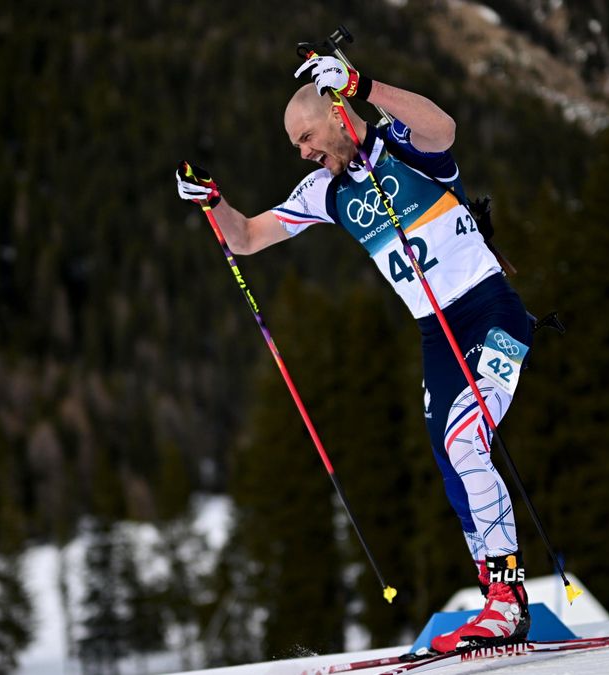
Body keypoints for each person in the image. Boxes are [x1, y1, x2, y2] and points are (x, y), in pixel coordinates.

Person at [176, 56, 534, 653]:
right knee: (452, 463)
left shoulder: (402, 143)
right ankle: (493, 590)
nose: (303, 153)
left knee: (467, 441)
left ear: (336, 118)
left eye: (306, 137)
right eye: (295, 145)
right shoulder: (326, 190)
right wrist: (212, 201)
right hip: (435, 334)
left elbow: (442, 128)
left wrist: (361, 86)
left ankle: (508, 602)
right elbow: (248, 237)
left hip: (491, 310)